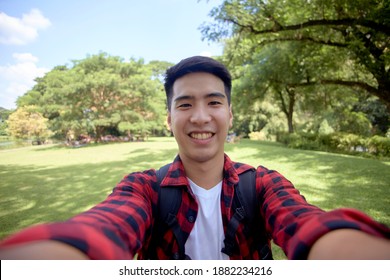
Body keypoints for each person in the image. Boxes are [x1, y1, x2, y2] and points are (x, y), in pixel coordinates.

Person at [0, 56, 389, 260]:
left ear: (230, 115)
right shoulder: (144, 188)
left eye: (214, 102)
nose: (200, 116)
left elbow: (304, 223)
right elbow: (109, 224)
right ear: (169, 118)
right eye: (185, 104)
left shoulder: (264, 184)